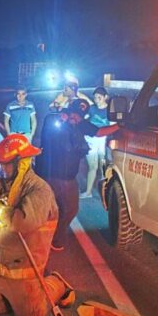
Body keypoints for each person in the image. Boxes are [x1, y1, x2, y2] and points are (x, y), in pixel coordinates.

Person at [0, 134, 60, 316]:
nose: (1, 170)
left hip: (21, 270)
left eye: (6, 165)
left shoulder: (39, 190)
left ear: (22, 163)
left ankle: (56, 284)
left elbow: (22, 223)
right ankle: (7, 298)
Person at [35, 101, 117, 254]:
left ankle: (56, 238)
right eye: (74, 114)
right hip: (50, 176)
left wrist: (119, 127)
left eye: (80, 117)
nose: (76, 119)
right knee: (46, 210)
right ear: (68, 111)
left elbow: (99, 132)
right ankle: (38, 241)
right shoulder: (54, 121)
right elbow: (47, 131)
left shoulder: (80, 125)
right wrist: (61, 118)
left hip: (69, 179)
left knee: (71, 209)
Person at [81, 87, 111, 199]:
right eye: (95, 98)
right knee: (92, 166)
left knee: (103, 167)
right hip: (91, 140)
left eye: (99, 97)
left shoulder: (109, 110)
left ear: (105, 97)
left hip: (103, 141)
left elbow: (113, 126)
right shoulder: (92, 109)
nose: (97, 100)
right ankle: (88, 192)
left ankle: (105, 193)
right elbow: (84, 119)